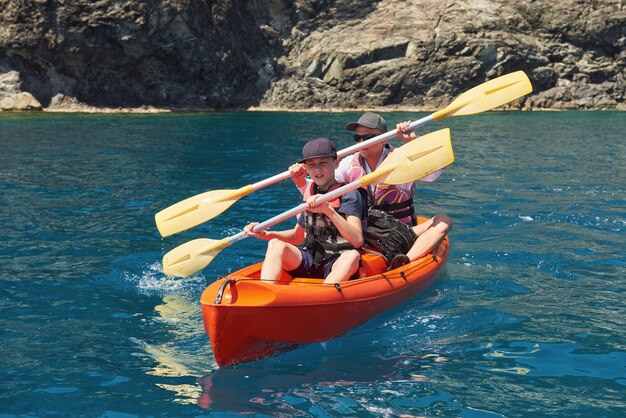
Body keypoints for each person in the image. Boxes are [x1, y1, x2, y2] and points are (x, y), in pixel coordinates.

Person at [290, 112, 452, 269]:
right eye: (357, 138)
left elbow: (433, 175)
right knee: (302, 212)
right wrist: (301, 179)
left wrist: (413, 142)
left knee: (444, 221)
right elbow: (322, 185)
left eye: (367, 138)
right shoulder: (349, 163)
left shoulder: (403, 158)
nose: (361, 142)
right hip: (365, 231)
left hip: (402, 230)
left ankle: (405, 260)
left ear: (384, 138)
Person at [244, 137, 367, 284]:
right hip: (310, 259)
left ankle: (323, 297)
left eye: (323, 163)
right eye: (312, 165)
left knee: (352, 256)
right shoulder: (310, 190)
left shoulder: (349, 193)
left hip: (337, 260)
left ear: (336, 163)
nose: (317, 169)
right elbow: (297, 237)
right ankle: (265, 293)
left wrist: (328, 210)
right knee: (275, 244)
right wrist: (266, 234)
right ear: (307, 168)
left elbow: (357, 240)